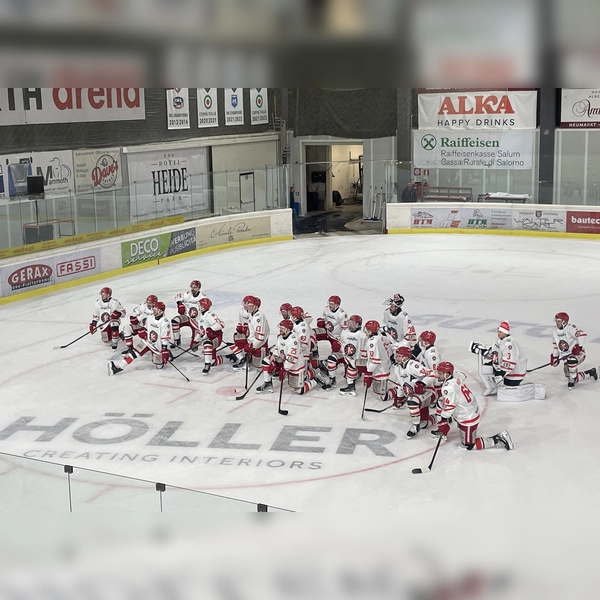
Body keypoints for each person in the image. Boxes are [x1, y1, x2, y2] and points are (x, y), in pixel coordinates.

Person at [432, 362, 514, 451]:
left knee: (469, 445)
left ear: (447, 374)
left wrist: (443, 418)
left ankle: (498, 439)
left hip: (468, 417)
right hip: (469, 409)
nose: (437, 375)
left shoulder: (448, 388)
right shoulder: (455, 378)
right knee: (441, 402)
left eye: (440, 373)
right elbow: (463, 375)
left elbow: (449, 409)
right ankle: (442, 431)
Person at [257, 320, 325, 395]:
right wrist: (274, 355)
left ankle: (315, 379)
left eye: (282, 328)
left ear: (288, 330)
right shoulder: (280, 337)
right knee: (266, 361)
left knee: (299, 390)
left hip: (295, 364)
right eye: (280, 328)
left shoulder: (294, 340)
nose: (280, 329)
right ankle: (268, 384)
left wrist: (284, 369)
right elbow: (277, 348)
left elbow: (292, 358)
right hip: (283, 360)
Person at [108, 301, 172, 375]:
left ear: (161, 311)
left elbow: (165, 338)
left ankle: (167, 355)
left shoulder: (165, 322)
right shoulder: (150, 317)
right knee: (134, 353)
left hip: (157, 347)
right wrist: (143, 332)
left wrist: (164, 349)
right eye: (154, 308)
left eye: (156, 308)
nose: (153, 309)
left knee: (159, 366)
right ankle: (118, 367)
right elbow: (146, 328)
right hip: (147, 342)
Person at [387, 345, 437, 438]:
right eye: (396, 355)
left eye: (399, 356)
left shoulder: (413, 365)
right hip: (417, 394)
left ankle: (415, 426)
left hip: (428, 392)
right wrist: (399, 397)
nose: (396, 358)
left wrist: (423, 383)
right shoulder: (398, 368)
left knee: (412, 402)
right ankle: (439, 417)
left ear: (405, 357)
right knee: (424, 423)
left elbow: (433, 374)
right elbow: (401, 384)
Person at [551, 312, 598, 389]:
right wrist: (555, 357)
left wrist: (579, 347)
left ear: (564, 321)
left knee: (571, 361)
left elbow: (581, 335)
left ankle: (572, 377)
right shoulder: (554, 332)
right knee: (569, 375)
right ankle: (591, 372)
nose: (557, 322)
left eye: (559, 321)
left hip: (578, 354)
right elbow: (556, 347)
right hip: (566, 356)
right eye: (556, 320)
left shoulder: (570, 328)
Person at [314, 295, 348, 386]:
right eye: (329, 303)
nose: (330, 305)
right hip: (327, 332)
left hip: (337, 337)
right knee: (312, 334)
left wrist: (341, 342)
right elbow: (324, 318)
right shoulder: (326, 309)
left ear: (337, 305)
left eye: (332, 304)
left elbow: (345, 330)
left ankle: (339, 369)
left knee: (337, 355)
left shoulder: (342, 314)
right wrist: (321, 321)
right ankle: (314, 353)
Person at [231, 296, 270, 371]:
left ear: (256, 306)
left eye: (250, 306)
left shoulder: (257, 318)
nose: (248, 307)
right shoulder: (252, 314)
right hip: (253, 341)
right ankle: (244, 358)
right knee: (237, 339)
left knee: (258, 366)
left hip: (260, 345)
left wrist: (252, 346)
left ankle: (263, 354)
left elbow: (260, 338)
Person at [337, 314, 368, 397]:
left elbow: (365, 350)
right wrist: (343, 353)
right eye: (349, 322)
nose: (350, 324)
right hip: (346, 357)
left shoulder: (362, 335)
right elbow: (342, 345)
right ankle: (331, 380)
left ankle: (351, 387)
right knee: (332, 359)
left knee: (352, 365)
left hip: (358, 359)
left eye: (353, 323)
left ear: (358, 325)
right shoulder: (344, 332)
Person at [171, 280, 205, 349]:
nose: (192, 289)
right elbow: (178, 296)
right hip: (187, 317)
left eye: (195, 287)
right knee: (175, 321)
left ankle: (196, 341)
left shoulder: (203, 297)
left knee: (194, 347)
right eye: (192, 287)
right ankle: (177, 340)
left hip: (196, 322)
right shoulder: (187, 294)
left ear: (199, 288)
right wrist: (179, 304)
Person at [197, 297, 225, 375]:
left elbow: (221, 324)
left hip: (216, 337)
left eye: (200, 305)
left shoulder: (210, 315)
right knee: (213, 361)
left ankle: (207, 365)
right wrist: (196, 341)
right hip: (209, 337)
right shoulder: (201, 316)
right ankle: (225, 358)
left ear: (204, 306)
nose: (198, 306)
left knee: (207, 344)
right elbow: (201, 330)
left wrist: (211, 329)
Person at [364, 320, 391, 399]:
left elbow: (375, 361)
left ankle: (395, 393)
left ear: (369, 331)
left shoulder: (373, 342)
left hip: (380, 371)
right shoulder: (381, 336)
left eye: (366, 329)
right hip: (385, 366)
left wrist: (368, 374)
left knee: (380, 395)